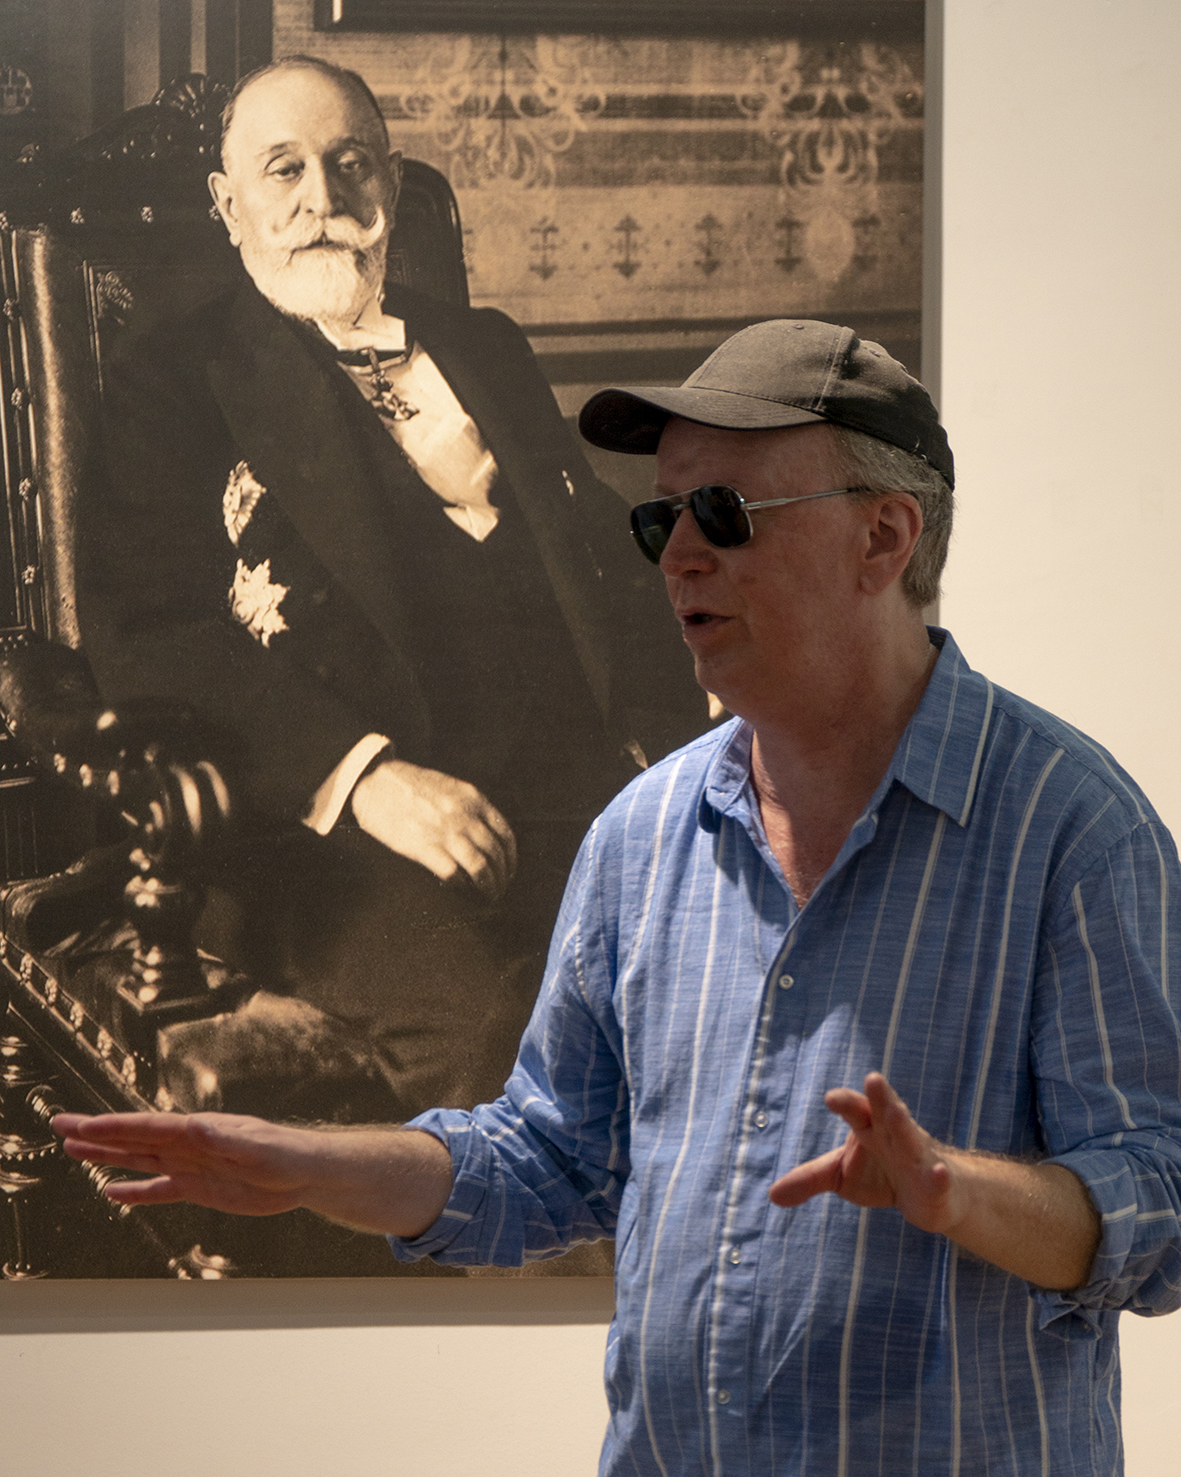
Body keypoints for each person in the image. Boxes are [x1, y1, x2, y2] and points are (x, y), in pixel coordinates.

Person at [57, 320, 1181, 1472]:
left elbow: (1160, 1203)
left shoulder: (1070, 829)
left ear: (882, 537)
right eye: (660, 519)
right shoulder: (641, 835)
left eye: (724, 514)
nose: (677, 557)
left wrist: (955, 1193)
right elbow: (544, 1160)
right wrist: (314, 1164)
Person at [77, 55, 702, 1122]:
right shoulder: (167, 383)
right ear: (228, 204)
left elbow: (601, 555)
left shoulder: (483, 345)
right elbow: (153, 634)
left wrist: (693, 716)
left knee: (741, 958)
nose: (320, 198)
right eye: (283, 170)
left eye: (349, 163)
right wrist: (362, 775)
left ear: (392, 187)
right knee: (506, 1030)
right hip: (325, 836)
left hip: (564, 786)